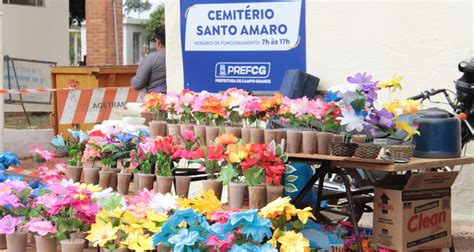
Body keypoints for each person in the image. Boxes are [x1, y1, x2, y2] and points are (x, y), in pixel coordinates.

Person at [131, 26, 166, 93]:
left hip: (156, 100)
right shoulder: (180, 57)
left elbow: (137, 84)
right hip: (178, 100)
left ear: (158, 41)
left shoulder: (152, 58)